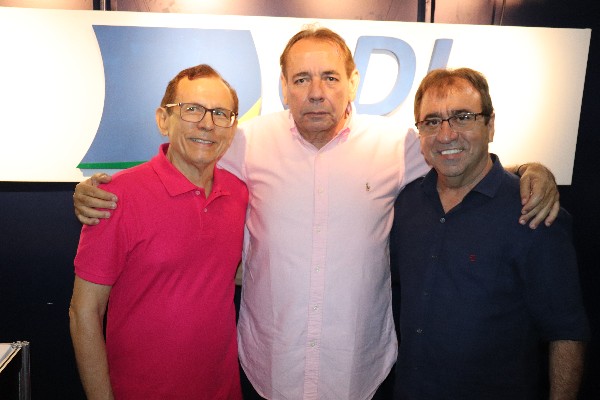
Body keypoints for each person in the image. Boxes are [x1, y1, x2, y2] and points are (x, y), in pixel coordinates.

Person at [73, 26, 560, 399]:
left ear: (353, 82)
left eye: (330, 77)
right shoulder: (246, 141)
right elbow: (187, 156)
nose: (315, 92)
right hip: (268, 370)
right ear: (283, 86)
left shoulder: (396, 145)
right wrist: (95, 188)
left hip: (360, 371)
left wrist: (529, 170)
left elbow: (459, 155)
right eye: (301, 79)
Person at [389, 67, 589, 400]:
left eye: (462, 117)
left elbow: (567, 331)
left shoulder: (534, 211)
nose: (446, 135)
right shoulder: (406, 204)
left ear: (490, 125)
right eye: (432, 121)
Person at [69, 65, 248, 399]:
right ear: (163, 120)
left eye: (221, 113)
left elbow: (233, 270)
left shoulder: (239, 194)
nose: (207, 123)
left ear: (232, 127)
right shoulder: (115, 197)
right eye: (192, 109)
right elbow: (84, 312)